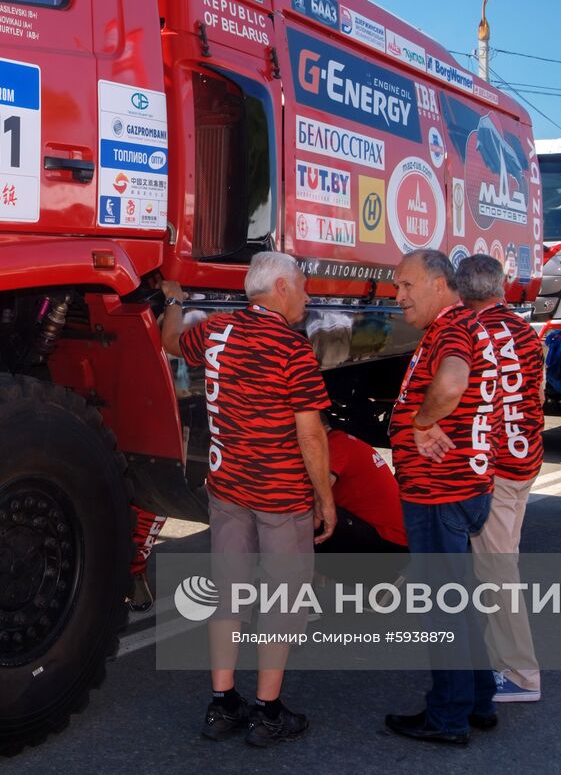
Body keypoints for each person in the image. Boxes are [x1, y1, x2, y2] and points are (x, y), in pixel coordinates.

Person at [160, 251, 334, 747]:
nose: (306, 296)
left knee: (229, 594)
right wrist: (325, 498)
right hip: (281, 496)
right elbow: (311, 434)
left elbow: (170, 342)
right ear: (280, 287)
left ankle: (222, 704)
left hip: (227, 488)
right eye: (302, 286)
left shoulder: (216, 331)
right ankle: (267, 713)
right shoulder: (292, 348)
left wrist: (174, 301)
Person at [381, 249, 498, 746]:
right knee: (459, 600)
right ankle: (478, 701)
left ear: (438, 284)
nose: (398, 296)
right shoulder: (458, 327)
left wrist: (421, 421)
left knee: (442, 605)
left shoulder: (451, 329)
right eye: (396, 287)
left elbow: (451, 382)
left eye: (406, 285)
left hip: (439, 490)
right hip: (458, 487)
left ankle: (448, 716)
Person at [457, 254, 545, 705]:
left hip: (494, 470)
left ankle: (520, 673)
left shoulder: (470, 334)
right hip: (525, 459)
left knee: (497, 571)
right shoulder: (527, 332)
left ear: (460, 292)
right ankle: (503, 661)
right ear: (501, 287)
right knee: (501, 563)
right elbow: (537, 394)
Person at [316, 425, 407, 553]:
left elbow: (316, 494)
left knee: (306, 510)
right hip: (394, 538)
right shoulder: (343, 441)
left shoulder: (335, 445)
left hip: (387, 540)